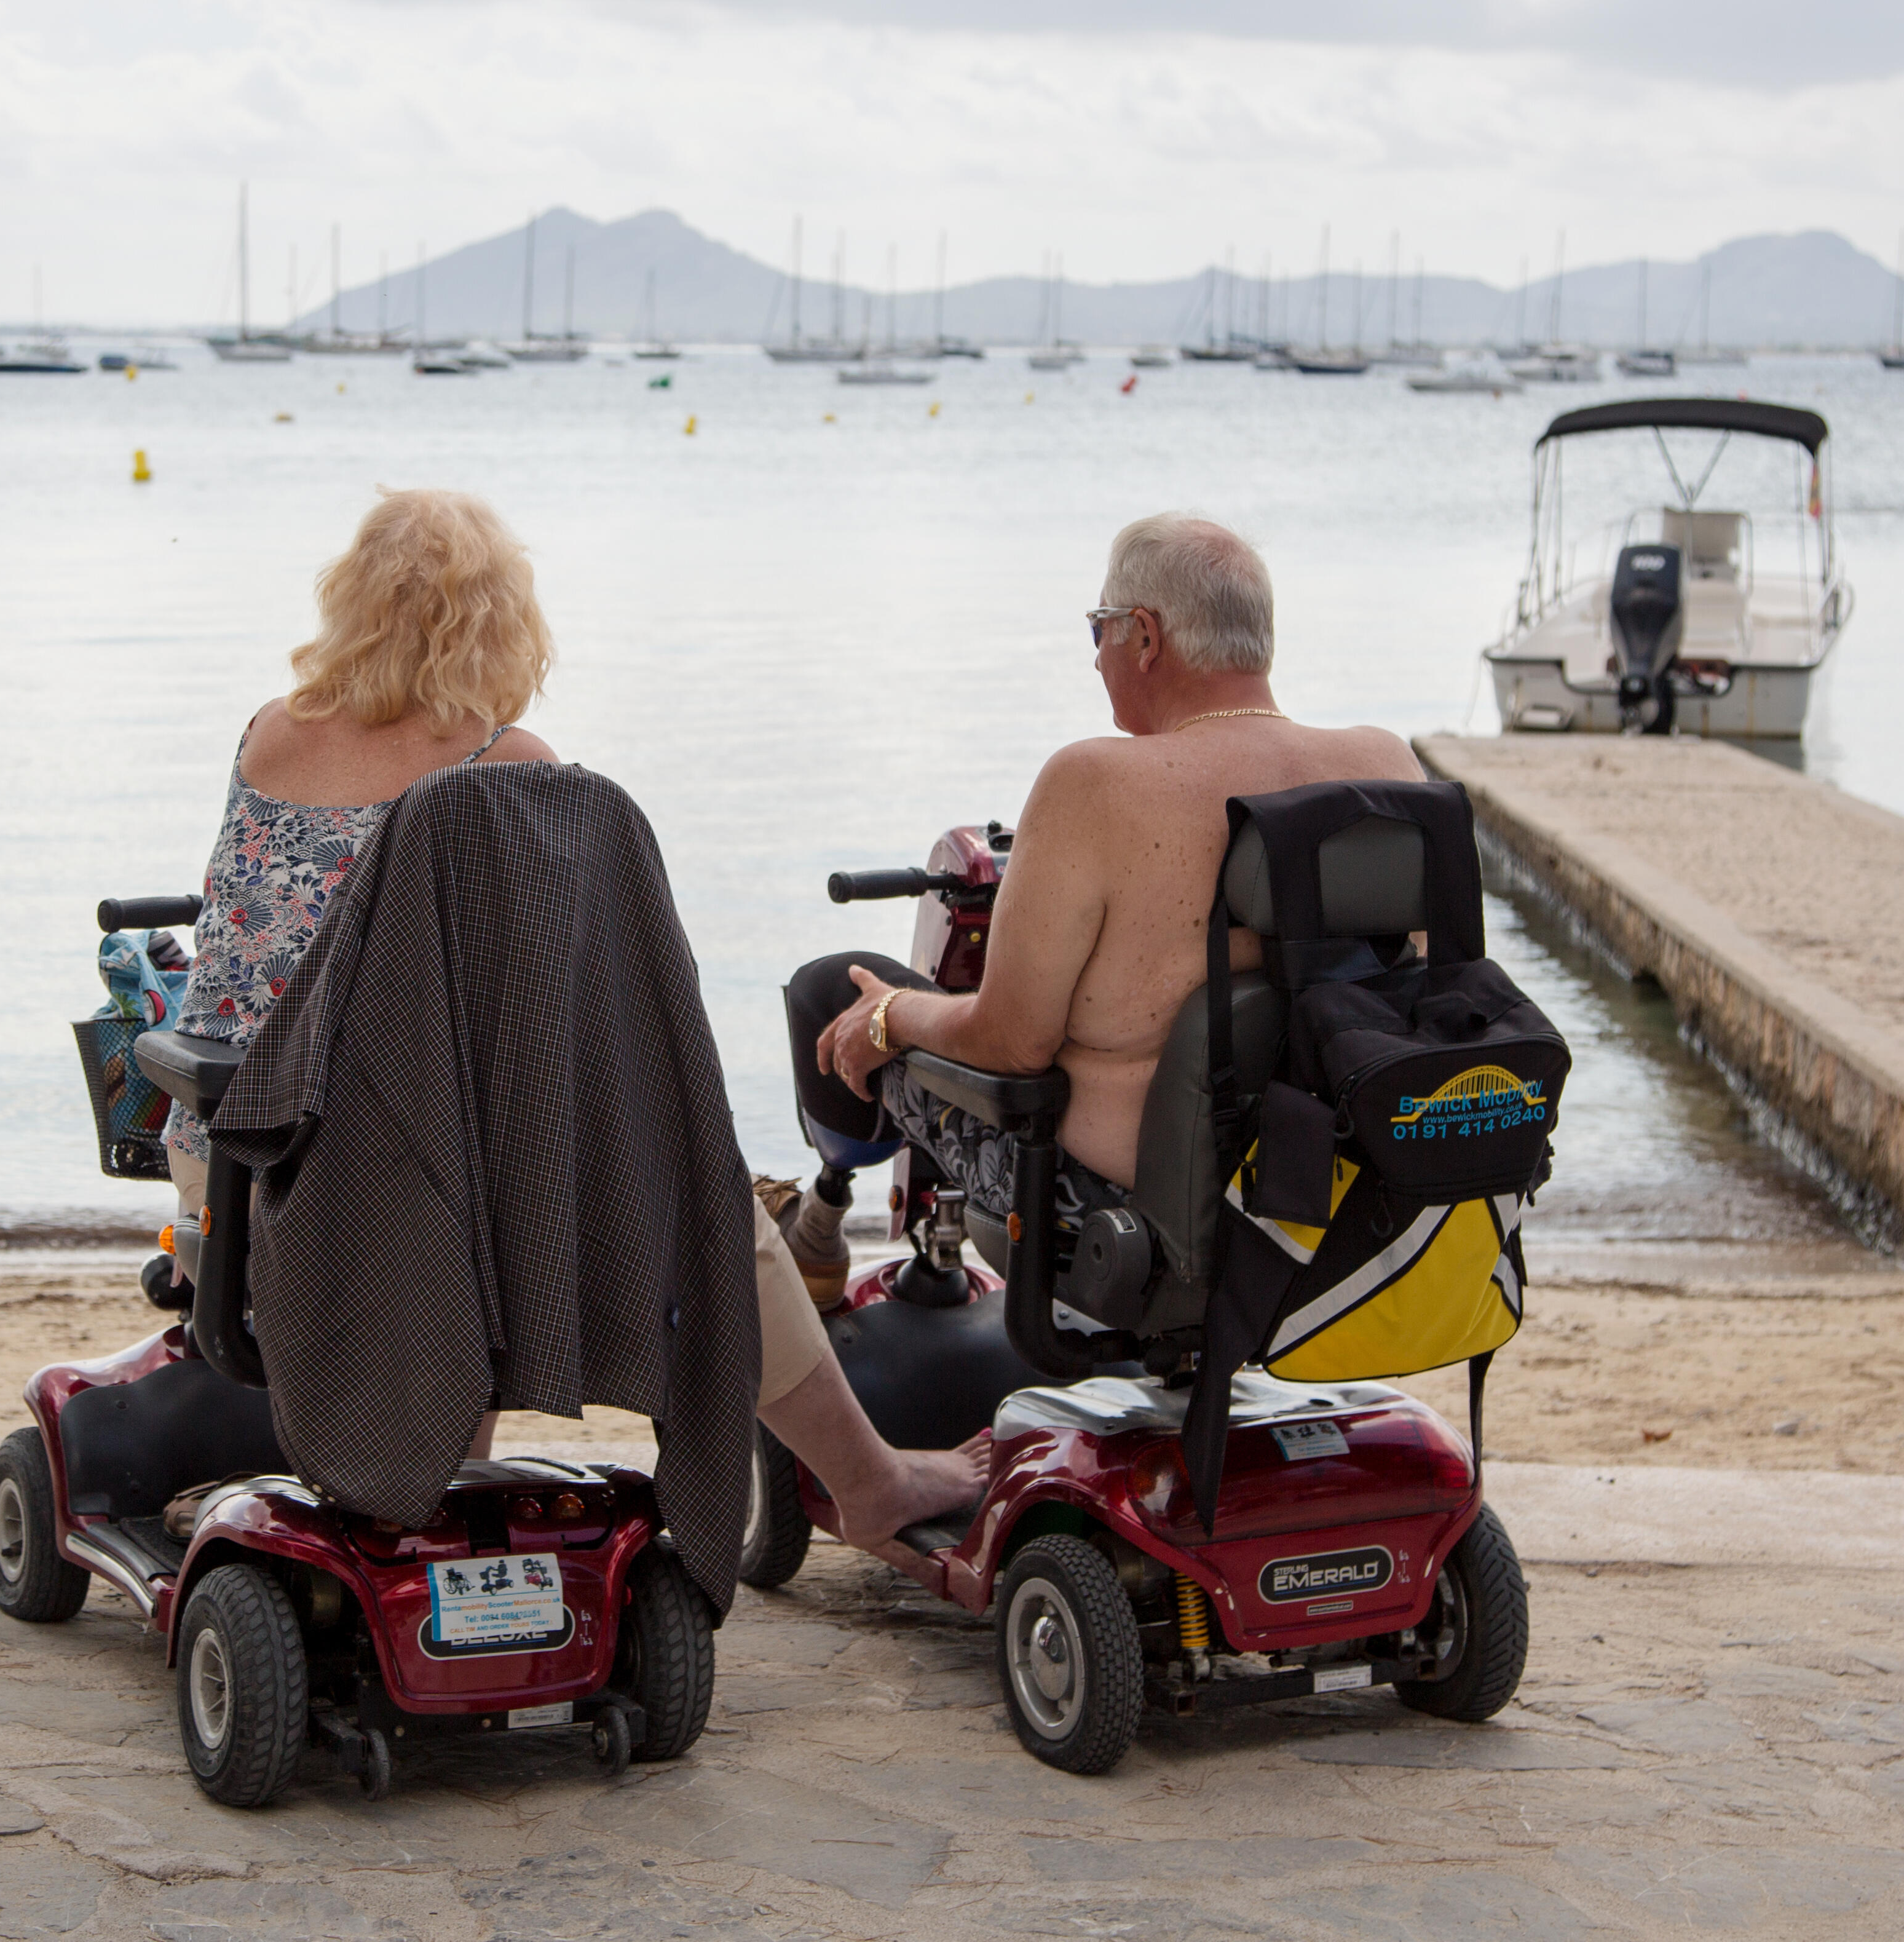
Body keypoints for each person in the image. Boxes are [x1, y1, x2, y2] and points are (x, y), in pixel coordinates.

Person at [162, 487, 982, 1572]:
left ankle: (435, 1499)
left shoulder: (271, 734)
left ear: (349, 603)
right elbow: (569, 1008)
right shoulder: (511, 767)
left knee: (458, 1156)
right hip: (396, 1176)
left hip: (230, 1154)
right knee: (712, 1212)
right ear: (503, 622)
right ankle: (870, 1480)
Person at [790, 511, 1423, 1200]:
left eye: (1100, 629)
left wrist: (889, 1015)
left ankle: (825, 1221)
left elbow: (1012, 1044)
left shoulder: (1092, 782)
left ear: (1145, 636)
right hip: (1350, 1187)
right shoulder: (1385, 764)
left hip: (1126, 1220)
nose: (1096, 657)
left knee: (835, 991)